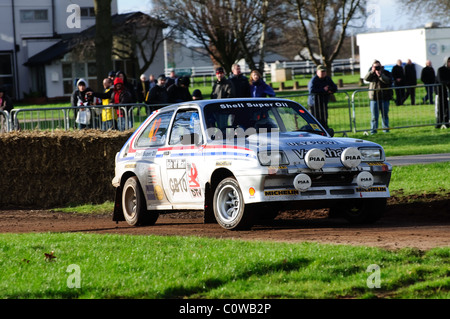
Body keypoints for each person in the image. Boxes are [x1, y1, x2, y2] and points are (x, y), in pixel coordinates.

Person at [364, 60, 393, 134]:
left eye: (378, 66)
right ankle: (373, 131)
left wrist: (380, 75)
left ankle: (386, 130)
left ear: (381, 66)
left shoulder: (386, 72)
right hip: (374, 98)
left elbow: (388, 81)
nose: (377, 68)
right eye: (375, 66)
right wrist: (372, 72)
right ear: (372, 66)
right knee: (374, 116)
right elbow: (366, 78)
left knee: (385, 115)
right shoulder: (371, 73)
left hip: (384, 97)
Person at [307, 65, 337, 129]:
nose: (323, 73)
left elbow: (335, 88)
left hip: (323, 103)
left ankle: (325, 132)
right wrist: (323, 90)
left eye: (324, 71)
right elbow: (312, 90)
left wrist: (330, 89)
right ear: (317, 72)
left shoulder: (327, 79)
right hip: (314, 104)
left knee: (324, 119)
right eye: (321, 72)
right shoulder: (314, 80)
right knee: (315, 120)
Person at [436, 56, 450, 128]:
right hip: (441, 92)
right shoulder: (440, 70)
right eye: (448, 61)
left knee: (448, 108)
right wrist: (448, 82)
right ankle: (438, 123)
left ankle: (446, 122)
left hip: (448, 93)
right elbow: (440, 80)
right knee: (441, 108)